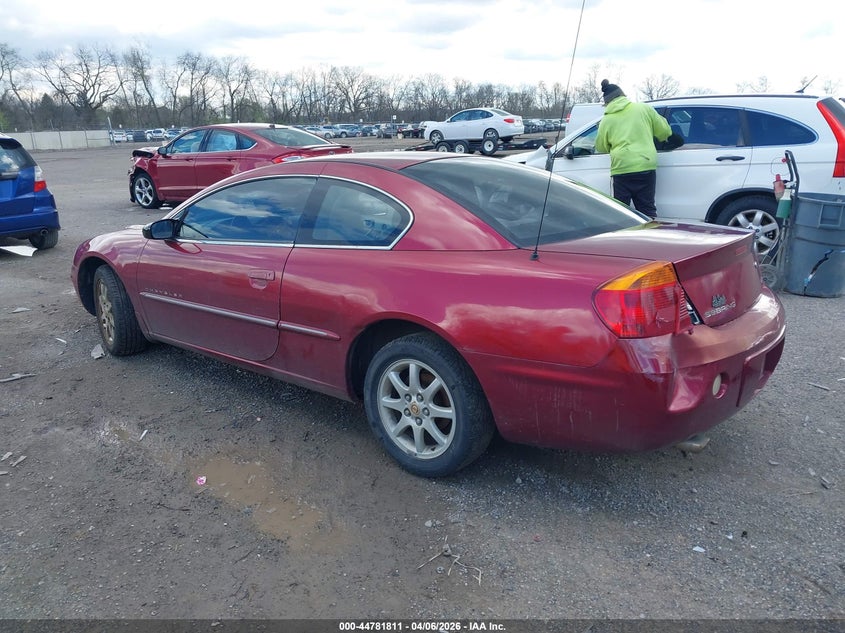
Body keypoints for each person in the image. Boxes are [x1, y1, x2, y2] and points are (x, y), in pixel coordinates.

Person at [595, 79, 672, 218]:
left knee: (621, 211)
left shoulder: (606, 120)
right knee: (647, 209)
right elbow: (665, 132)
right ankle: (650, 235)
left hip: (621, 168)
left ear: (607, 102)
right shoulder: (644, 109)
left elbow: (601, 147)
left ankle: (626, 237)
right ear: (623, 95)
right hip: (645, 164)